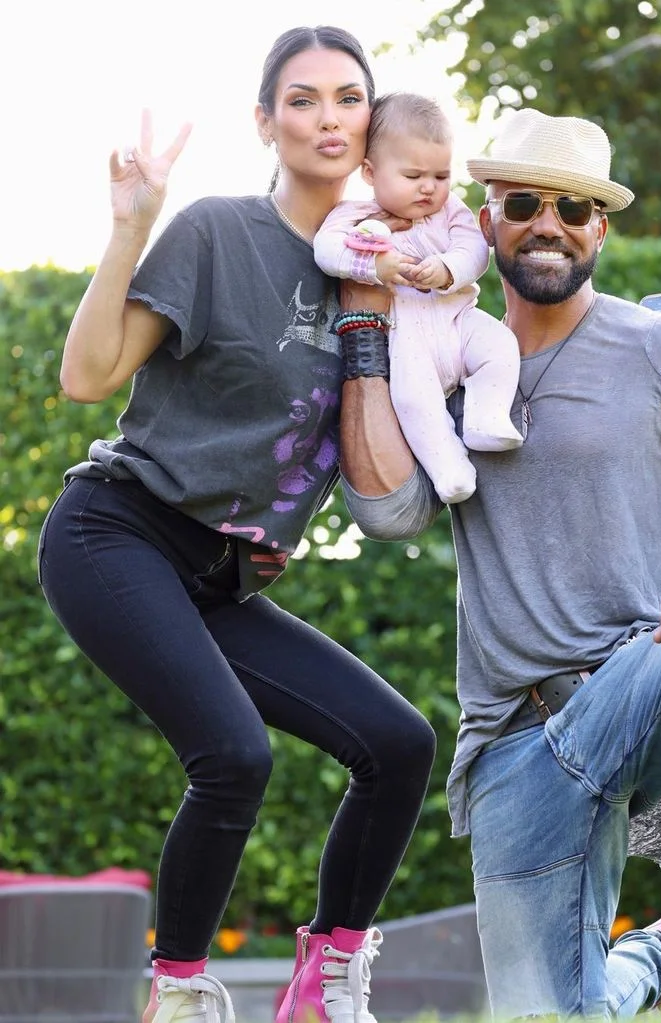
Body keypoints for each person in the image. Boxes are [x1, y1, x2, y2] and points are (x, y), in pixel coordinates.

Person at [333, 108, 661, 1020]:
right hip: (516, 740)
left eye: (574, 208)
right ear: (486, 221)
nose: (547, 221)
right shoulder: (447, 363)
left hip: (650, 681)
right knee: (552, 1016)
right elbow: (387, 509)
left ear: (601, 228)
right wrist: (365, 325)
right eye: (522, 202)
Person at [37, 25, 436, 1023]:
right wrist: (131, 224)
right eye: (302, 100)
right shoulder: (218, 232)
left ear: (370, 120)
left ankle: (324, 984)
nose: (328, 117)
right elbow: (86, 378)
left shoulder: (378, 269)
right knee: (235, 756)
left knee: (397, 742)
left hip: (224, 578)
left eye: (349, 98)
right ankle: (176, 994)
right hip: (118, 534)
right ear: (267, 122)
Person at [314, 91, 522, 505]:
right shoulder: (353, 215)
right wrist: (373, 268)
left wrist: (448, 269)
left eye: (441, 176)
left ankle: (487, 415)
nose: (429, 188)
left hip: (458, 321)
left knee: (500, 346)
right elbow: (326, 249)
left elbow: (475, 249)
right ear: (371, 172)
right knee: (414, 401)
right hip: (407, 340)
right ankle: (450, 470)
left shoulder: (452, 212)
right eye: (413, 176)